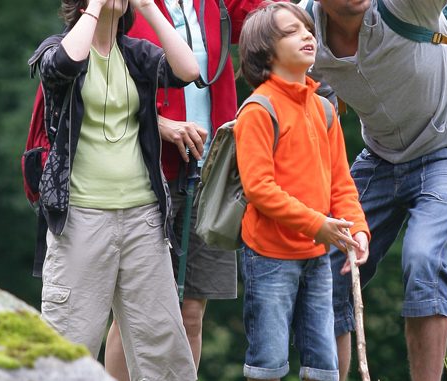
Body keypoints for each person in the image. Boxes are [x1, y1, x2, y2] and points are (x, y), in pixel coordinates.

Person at [304, 0, 447, 380]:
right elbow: (287, 85)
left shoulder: (404, 6)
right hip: (382, 157)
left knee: (423, 257)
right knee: (326, 262)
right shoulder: (303, 29)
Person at [28, 0, 201, 379]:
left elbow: (188, 70)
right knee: (69, 343)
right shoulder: (56, 49)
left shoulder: (136, 54)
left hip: (143, 219)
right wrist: (94, 7)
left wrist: (146, 6)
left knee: (162, 346)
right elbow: (64, 67)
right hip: (80, 220)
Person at [103, 0, 268, 378]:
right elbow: (95, 78)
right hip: (144, 170)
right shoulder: (126, 5)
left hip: (211, 172)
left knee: (191, 314)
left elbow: (274, 21)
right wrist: (156, 121)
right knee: (134, 314)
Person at [233, 2, 370, 380]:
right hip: (269, 256)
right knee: (268, 364)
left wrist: (356, 228)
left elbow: (341, 184)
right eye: (291, 32)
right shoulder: (258, 110)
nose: (307, 36)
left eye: (307, 29)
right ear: (265, 50)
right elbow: (259, 189)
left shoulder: (324, 109)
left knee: (324, 366)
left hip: (317, 254)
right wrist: (318, 225)